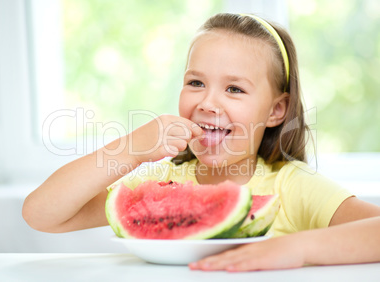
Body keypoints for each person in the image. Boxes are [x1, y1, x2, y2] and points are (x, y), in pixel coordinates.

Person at [22, 13, 380, 272]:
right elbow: (42, 215)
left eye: (234, 89)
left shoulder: (293, 186)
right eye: (195, 83)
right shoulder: (162, 182)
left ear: (276, 110)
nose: (207, 103)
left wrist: (298, 248)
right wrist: (129, 149)